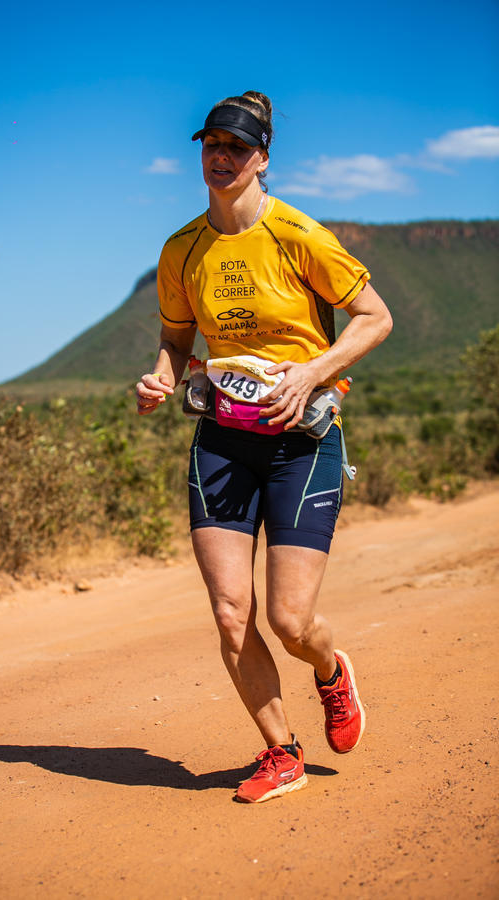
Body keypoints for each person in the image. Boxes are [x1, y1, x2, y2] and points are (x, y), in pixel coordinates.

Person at [136, 91, 393, 804]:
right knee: (229, 610)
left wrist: (314, 371)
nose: (221, 157)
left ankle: (330, 670)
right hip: (222, 437)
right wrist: (161, 378)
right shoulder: (182, 249)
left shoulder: (300, 235)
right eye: (211, 144)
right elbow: (175, 338)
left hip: (303, 441)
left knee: (289, 621)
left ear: (263, 158)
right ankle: (282, 751)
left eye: (236, 147)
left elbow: (376, 318)